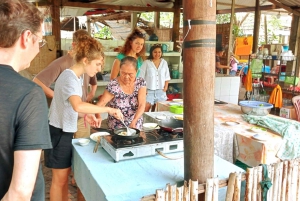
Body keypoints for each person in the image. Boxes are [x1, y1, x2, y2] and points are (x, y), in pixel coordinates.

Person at [44, 35, 123, 201]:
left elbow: (72, 107)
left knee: (64, 179)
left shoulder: (76, 77)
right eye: (98, 64)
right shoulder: (69, 77)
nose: (100, 69)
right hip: (58, 133)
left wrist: (86, 116)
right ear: (86, 60)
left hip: (63, 130)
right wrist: (108, 109)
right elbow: (77, 105)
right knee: (59, 180)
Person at [0, 0, 52, 200]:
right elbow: (20, 193)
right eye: (40, 40)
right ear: (26, 37)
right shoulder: (28, 94)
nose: (39, 48)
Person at [33, 29, 98, 139]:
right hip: (65, 117)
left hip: (83, 116)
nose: (85, 51)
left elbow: (93, 82)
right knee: (65, 150)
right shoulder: (62, 63)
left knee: (82, 149)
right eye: (83, 47)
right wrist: (57, 96)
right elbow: (37, 81)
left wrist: (92, 92)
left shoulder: (88, 63)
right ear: (74, 45)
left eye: (88, 47)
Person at [98, 56, 147, 130]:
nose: (126, 77)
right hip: (117, 128)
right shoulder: (113, 85)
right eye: (123, 73)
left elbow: (142, 105)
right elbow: (99, 105)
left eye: (130, 74)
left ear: (136, 71)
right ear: (119, 70)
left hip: (135, 125)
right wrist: (98, 117)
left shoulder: (140, 83)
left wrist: (134, 121)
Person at [139, 44, 170, 112]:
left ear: (161, 53)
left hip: (161, 91)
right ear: (151, 53)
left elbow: (167, 76)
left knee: (159, 111)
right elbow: (141, 77)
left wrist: (165, 87)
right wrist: (144, 89)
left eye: (159, 52)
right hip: (148, 91)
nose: (157, 54)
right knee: (145, 109)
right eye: (155, 52)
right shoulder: (146, 63)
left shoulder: (164, 62)